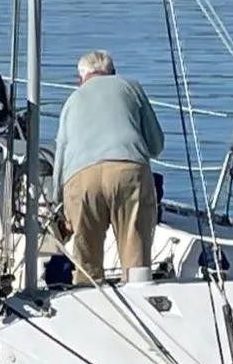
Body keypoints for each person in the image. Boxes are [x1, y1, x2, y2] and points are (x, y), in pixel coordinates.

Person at [53, 50, 165, 284]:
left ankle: (87, 303)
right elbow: (156, 145)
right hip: (127, 171)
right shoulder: (131, 86)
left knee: (86, 264)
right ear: (113, 73)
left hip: (80, 178)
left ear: (80, 80)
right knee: (136, 263)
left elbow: (61, 158)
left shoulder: (72, 101)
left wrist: (58, 205)